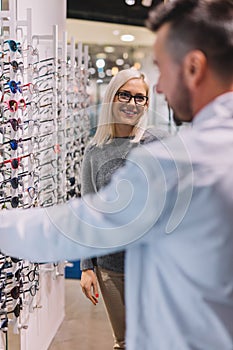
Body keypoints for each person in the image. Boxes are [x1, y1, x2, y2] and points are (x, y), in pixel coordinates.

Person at [0, 0, 232, 349]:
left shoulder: (179, 161)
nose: (158, 90)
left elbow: (71, 228)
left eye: (161, 69)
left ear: (194, 67)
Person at [80, 68, 166, 350]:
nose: (132, 103)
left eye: (139, 98)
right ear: (112, 98)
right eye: (124, 95)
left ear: (146, 104)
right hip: (110, 268)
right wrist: (87, 269)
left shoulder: (156, 144)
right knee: (125, 341)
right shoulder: (95, 153)